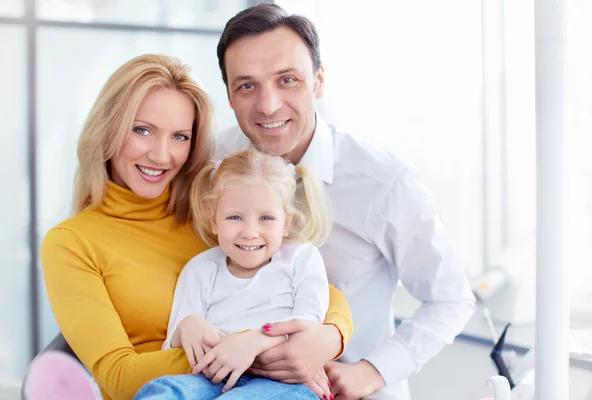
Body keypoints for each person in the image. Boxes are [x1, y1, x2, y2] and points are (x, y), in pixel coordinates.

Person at [36, 54, 353, 400]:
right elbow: (118, 376)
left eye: (180, 137)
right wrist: (243, 351)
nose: (161, 155)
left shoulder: (217, 217)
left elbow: (318, 287)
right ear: (108, 128)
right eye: (142, 130)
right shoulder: (72, 243)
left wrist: (328, 337)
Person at [212, 4, 477, 400]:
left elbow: (450, 298)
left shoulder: (384, 182)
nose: (268, 105)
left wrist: (371, 372)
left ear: (318, 82)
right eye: (247, 86)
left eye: (287, 80)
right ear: (230, 96)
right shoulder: (214, 162)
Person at [134, 148, 334, 400]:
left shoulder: (301, 258)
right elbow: (171, 345)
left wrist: (254, 342)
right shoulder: (200, 269)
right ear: (213, 218)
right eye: (235, 217)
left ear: (287, 222)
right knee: (165, 391)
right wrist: (187, 325)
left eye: (266, 218)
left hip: (283, 383)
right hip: (214, 377)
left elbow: (308, 325)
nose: (250, 232)